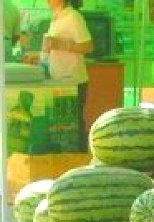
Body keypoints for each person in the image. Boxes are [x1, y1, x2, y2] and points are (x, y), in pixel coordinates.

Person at [42, 0, 93, 150]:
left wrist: (60, 45)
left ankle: (80, 155)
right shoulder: (56, 17)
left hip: (73, 79)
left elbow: (88, 46)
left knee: (73, 122)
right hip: (58, 78)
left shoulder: (73, 16)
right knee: (62, 123)